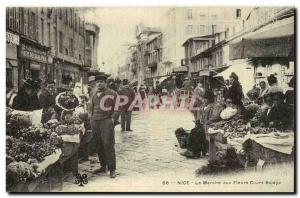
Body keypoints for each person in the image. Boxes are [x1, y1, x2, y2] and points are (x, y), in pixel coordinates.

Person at [89, 74, 118, 178]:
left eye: (101, 82)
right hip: (95, 121)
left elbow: (118, 107)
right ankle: (103, 166)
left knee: (108, 144)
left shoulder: (112, 93)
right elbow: (90, 106)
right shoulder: (93, 93)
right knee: (98, 144)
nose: (99, 83)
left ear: (105, 83)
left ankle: (112, 169)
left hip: (106, 121)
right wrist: (90, 117)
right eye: (97, 82)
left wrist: (113, 119)